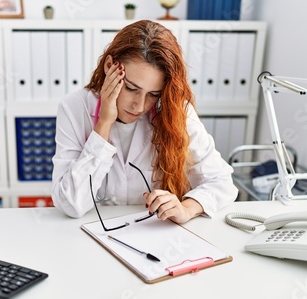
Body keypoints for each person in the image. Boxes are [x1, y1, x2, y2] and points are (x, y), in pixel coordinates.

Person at [51, 20, 238, 224]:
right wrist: (103, 123)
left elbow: (222, 182)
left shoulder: (176, 111)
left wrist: (186, 208)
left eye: (153, 94)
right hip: (95, 231)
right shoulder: (74, 107)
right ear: (109, 66)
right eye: (131, 88)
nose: (139, 106)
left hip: (154, 233)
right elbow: (70, 203)